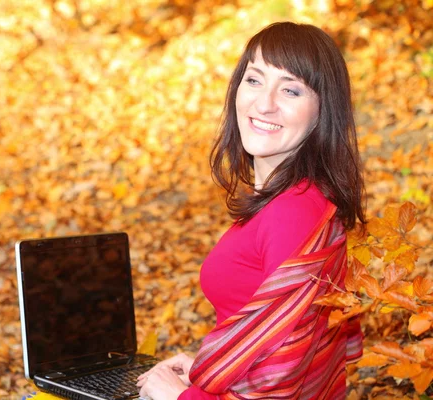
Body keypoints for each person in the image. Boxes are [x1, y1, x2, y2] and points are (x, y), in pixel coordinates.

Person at [136, 21, 365, 400]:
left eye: (290, 89)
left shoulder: (295, 213)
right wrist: (207, 367)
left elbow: (282, 384)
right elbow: (276, 346)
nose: (264, 103)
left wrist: (178, 397)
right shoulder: (294, 199)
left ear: (323, 112)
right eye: (254, 80)